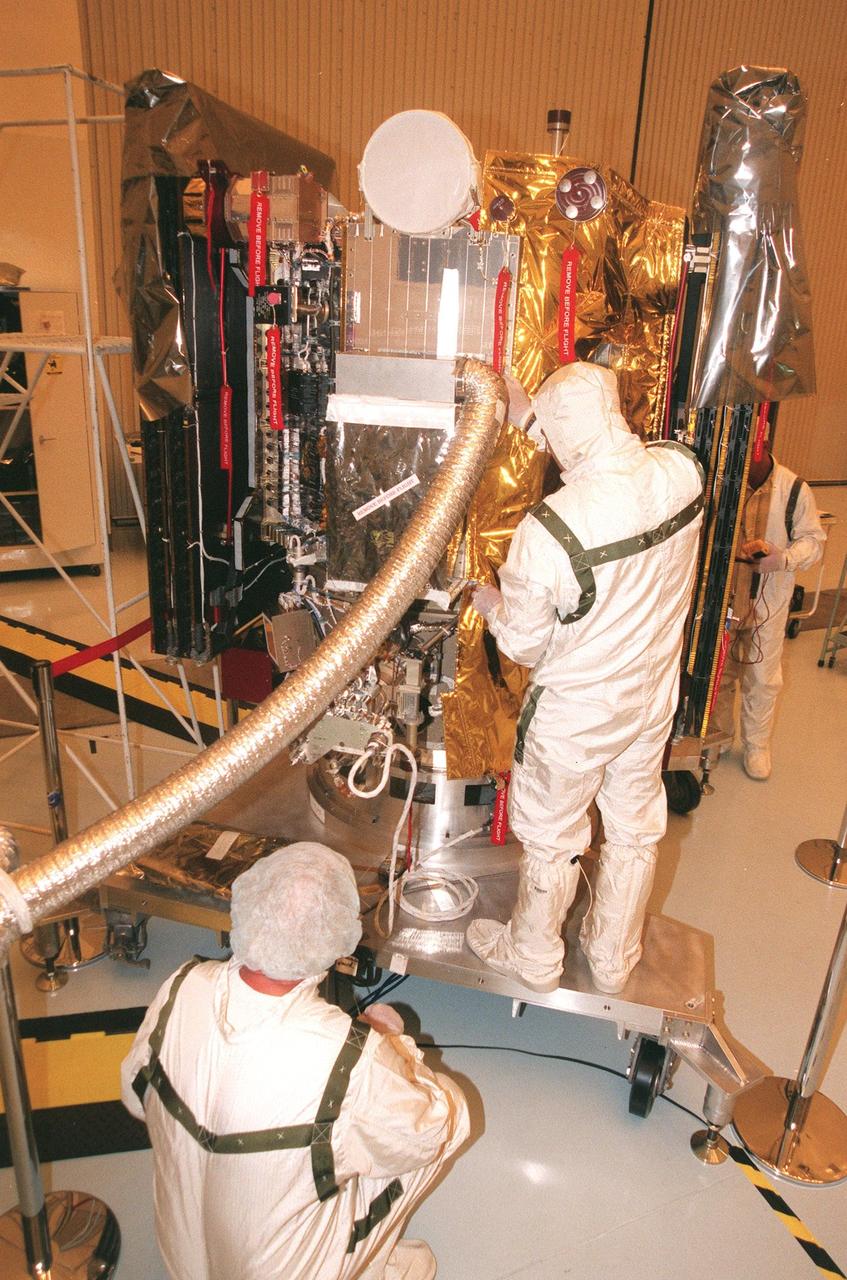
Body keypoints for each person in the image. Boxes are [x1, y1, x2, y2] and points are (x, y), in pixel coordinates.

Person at [122, 842, 469, 1280]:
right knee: (450, 1110)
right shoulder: (346, 1056)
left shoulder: (182, 985)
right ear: (336, 938)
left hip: (183, 1261)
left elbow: (135, 1098)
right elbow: (427, 1133)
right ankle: (373, 1266)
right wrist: (394, 1047)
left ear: (248, 908)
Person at [466, 361, 703, 996]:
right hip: (650, 695)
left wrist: (489, 602)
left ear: (563, 434)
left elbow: (523, 641)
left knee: (552, 834)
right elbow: (615, 463)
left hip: (578, 711)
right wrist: (530, 413)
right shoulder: (682, 473)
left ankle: (533, 957)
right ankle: (612, 956)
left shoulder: (549, 531)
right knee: (633, 826)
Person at [710, 443, 825, 780]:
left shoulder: (793, 489)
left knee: (763, 678)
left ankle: (757, 745)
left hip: (769, 601)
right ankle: (717, 738)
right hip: (725, 598)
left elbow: (813, 541)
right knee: (721, 673)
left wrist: (783, 558)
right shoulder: (723, 482)